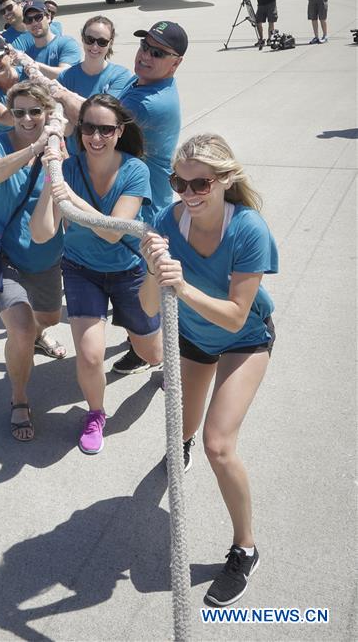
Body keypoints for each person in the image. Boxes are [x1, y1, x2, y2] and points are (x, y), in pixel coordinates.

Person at [138, 133, 277, 607]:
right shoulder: (166, 220)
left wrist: (182, 287)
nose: (189, 193)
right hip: (195, 336)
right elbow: (148, 306)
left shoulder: (249, 229)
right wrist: (153, 270)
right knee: (181, 430)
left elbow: (236, 316)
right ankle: (183, 446)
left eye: (201, 183)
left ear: (225, 180)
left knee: (219, 445)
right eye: (179, 183)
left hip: (244, 339)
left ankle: (245, 548)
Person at [31, 94, 162, 455]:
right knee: (90, 356)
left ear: (119, 132)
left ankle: (158, 360)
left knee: (152, 353)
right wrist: (50, 181)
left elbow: (113, 231)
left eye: (106, 129)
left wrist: (70, 197)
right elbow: (41, 234)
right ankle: (95, 413)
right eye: (89, 128)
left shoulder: (135, 170)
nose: (96, 137)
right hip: (80, 270)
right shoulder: (67, 169)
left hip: (129, 271)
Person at [0, 81, 66, 441]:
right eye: (19, 112)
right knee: (22, 328)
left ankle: (36, 337)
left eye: (35, 111)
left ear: (47, 112)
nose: (27, 118)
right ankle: (19, 399)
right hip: (2, 254)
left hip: (45, 254)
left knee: (49, 319)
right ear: (10, 114)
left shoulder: (59, 149)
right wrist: (34, 147)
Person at [113, 20, 187, 374]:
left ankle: (152, 353)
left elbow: (95, 118)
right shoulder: (143, 82)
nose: (145, 55)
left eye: (158, 53)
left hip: (144, 209)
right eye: (144, 46)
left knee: (140, 289)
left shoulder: (151, 103)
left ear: (176, 63)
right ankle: (144, 341)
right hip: (137, 198)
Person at [51, 16, 134, 154]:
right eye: (90, 40)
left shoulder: (121, 76)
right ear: (82, 38)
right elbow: (67, 129)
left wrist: (66, 97)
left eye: (102, 42)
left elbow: (102, 120)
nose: (95, 46)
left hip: (105, 156)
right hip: (74, 157)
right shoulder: (66, 76)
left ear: (110, 43)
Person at [13, 0, 82, 79]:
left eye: (38, 17)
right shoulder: (28, 54)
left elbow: (66, 75)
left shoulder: (67, 43)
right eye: (29, 20)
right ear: (25, 24)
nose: (34, 23)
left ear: (48, 17)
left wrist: (35, 65)